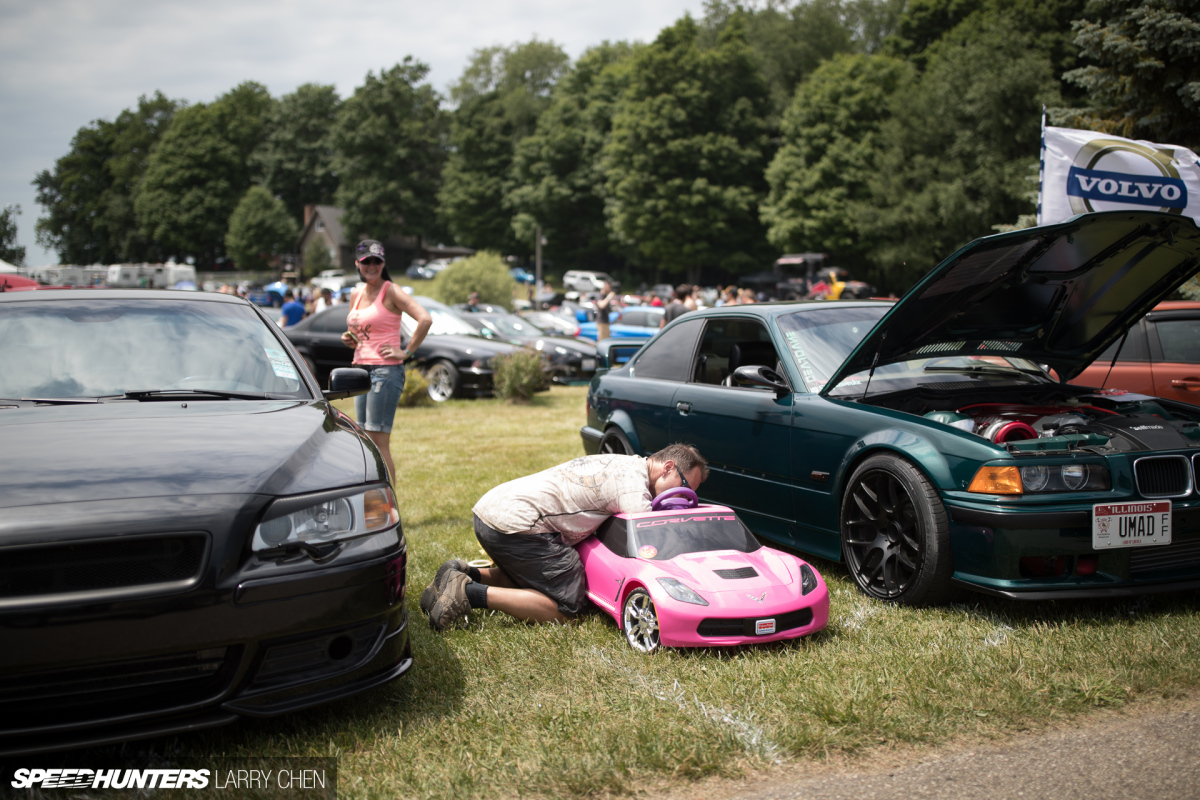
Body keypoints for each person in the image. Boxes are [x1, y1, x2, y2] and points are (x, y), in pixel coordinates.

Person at [420, 444, 708, 631]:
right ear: (668, 467)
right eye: (684, 485)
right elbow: (652, 535)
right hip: (516, 524)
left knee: (535, 579)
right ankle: (467, 593)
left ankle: (462, 574)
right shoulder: (633, 487)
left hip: (491, 512)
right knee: (567, 608)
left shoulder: (627, 463)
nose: (683, 496)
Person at [342, 239, 433, 484]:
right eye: (366, 261)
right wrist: (350, 338)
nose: (372, 266)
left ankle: (388, 501)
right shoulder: (356, 294)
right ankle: (371, 496)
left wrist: (406, 352)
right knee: (365, 439)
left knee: (378, 442)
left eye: (377, 261)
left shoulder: (390, 290)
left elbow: (424, 319)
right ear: (357, 264)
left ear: (383, 264)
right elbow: (359, 329)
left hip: (384, 371)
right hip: (360, 370)